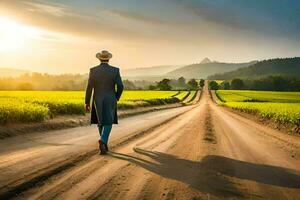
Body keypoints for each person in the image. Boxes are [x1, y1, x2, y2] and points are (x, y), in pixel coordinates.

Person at [85, 50, 124, 155]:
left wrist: (87, 102)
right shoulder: (115, 70)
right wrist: (116, 96)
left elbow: (89, 87)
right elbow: (120, 86)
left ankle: (104, 145)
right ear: (109, 59)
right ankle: (103, 140)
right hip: (111, 98)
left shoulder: (93, 70)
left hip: (97, 98)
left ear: (99, 58)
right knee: (109, 121)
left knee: (100, 121)